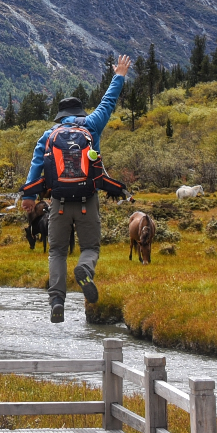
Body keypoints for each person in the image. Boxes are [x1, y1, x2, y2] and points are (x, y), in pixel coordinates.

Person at [19, 56, 133, 323]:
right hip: (87, 200)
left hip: (57, 203)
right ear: (80, 113)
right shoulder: (92, 125)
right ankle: (84, 269)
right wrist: (119, 75)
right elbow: (108, 102)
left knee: (57, 251)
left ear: (60, 117)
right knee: (91, 246)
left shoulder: (49, 135)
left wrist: (28, 197)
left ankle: (57, 301)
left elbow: (37, 163)